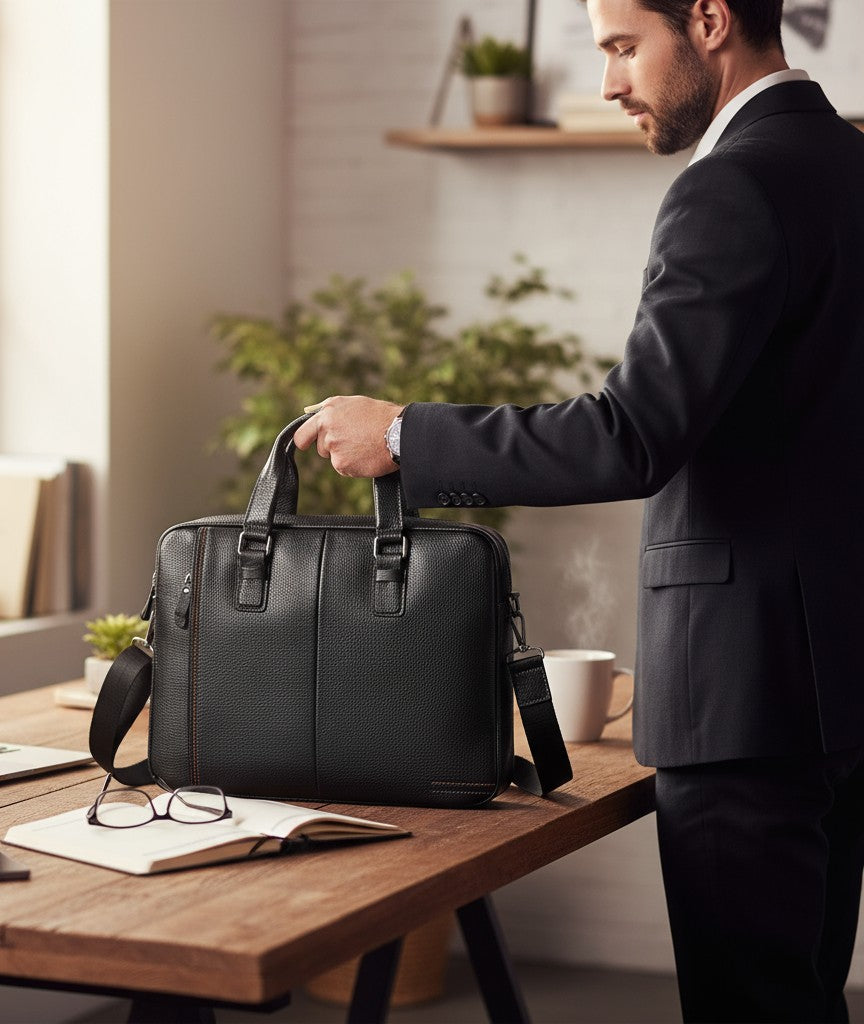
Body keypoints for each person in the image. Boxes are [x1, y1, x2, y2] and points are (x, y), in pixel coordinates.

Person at [293, 1, 864, 1020]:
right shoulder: (849, 164)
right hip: (838, 684)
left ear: (709, 19)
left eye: (619, 46)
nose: (606, 84)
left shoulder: (730, 184)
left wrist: (406, 435)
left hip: (743, 693)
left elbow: (629, 432)